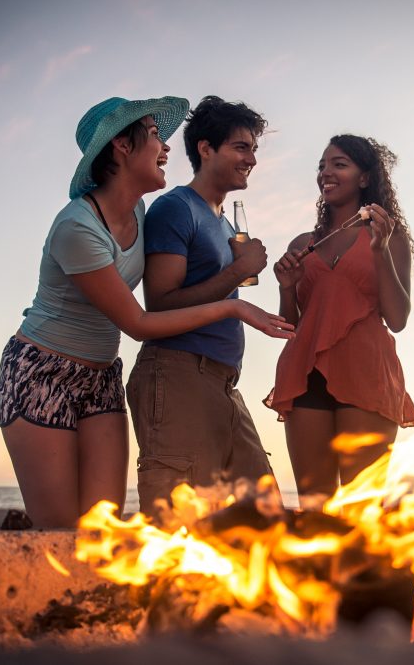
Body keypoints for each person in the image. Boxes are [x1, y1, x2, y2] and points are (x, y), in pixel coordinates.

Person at [0, 96, 294, 529]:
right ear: (121, 146)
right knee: (60, 534)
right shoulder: (77, 227)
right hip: (43, 370)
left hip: (101, 374)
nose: (167, 147)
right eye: (155, 135)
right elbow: (139, 321)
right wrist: (234, 297)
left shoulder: (139, 209)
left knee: (104, 528)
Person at [126, 96, 278, 521]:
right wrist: (238, 273)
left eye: (253, 149)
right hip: (177, 375)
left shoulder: (226, 224)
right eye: (240, 147)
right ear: (206, 149)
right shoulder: (175, 208)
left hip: (224, 384)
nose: (250, 158)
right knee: (181, 527)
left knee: (265, 519)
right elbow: (160, 303)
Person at [266, 134, 414, 502]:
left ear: (364, 178)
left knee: (361, 507)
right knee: (314, 507)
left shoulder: (389, 236)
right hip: (304, 375)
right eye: (322, 165)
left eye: (339, 164)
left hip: (366, 372)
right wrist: (286, 288)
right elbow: (290, 325)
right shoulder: (302, 243)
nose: (326, 173)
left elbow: (398, 318)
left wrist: (379, 251)